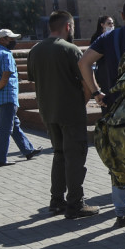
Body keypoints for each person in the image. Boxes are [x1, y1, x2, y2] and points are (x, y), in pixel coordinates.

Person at [78, 0, 125, 225]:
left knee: (118, 158)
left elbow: (84, 62)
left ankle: (121, 210)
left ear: (122, 14)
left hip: (113, 107)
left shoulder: (109, 36)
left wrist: (96, 92)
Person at [27, 11, 99, 220]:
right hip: (71, 113)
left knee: (59, 155)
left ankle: (56, 200)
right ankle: (75, 203)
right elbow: (87, 83)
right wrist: (81, 102)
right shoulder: (70, 50)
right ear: (68, 26)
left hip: (48, 112)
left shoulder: (35, 50)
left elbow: (35, 80)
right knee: (74, 157)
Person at [0, 28, 41, 167]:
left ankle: (28, 150)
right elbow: (6, 76)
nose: (14, 41)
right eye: (11, 39)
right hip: (7, 96)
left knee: (13, 125)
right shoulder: (5, 54)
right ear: (2, 40)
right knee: (6, 128)